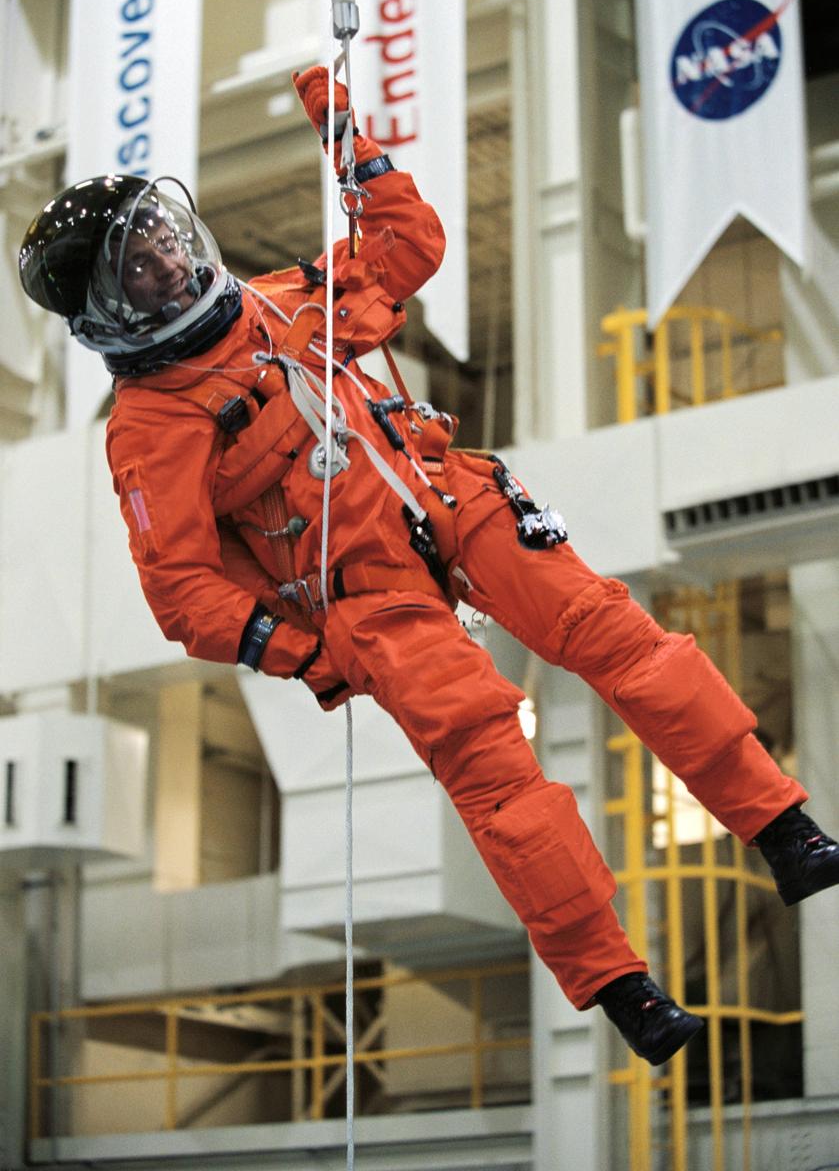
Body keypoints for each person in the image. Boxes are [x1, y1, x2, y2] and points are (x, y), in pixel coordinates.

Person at [19, 66, 839, 1067]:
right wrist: (307, 657)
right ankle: (620, 986)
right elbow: (181, 592)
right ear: (106, 309)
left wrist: (349, 143)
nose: (164, 257)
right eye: (139, 264)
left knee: (624, 641)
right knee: (494, 771)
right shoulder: (150, 429)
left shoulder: (278, 301)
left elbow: (408, 247)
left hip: (448, 497)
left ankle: (782, 828)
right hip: (365, 599)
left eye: (159, 234)